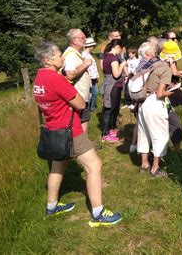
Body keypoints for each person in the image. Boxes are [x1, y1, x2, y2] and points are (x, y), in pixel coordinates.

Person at [33, 42, 122, 227]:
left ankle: (51, 206)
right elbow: (81, 104)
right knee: (94, 165)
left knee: (58, 166)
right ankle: (98, 213)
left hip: (52, 130)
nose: (62, 58)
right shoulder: (56, 79)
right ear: (48, 60)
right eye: (58, 55)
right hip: (69, 130)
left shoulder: (38, 79)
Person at [136, 41, 173, 177]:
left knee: (144, 134)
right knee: (160, 135)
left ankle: (144, 164)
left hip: (141, 103)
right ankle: (155, 168)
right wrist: (173, 91)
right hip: (155, 103)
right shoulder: (164, 67)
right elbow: (160, 93)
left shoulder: (142, 67)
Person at [162, 31, 182, 134]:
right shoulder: (170, 56)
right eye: (173, 38)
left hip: (164, 86)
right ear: (166, 40)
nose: (175, 40)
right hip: (170, 87)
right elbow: (173, 72)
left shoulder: (162, 53)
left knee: (167, 110)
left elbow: (169, 69)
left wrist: (179, 72)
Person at [62, 29, 92, 133]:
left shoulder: (75, 53)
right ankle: (83, 147)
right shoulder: (71, 54)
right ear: (74, 40)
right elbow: (70, 75)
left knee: (84, 121)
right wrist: (85, 64)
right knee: (80, 123)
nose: (85, 40)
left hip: (81, 95)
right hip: (77, 96)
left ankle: (84, 146)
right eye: (82, 38)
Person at [100, 39, 127, 142]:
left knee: (113, 109)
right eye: (121, 48)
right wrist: (122, 65)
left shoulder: (106, 56)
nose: (122, 50)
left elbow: (104, 70)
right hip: (114, 86)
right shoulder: (114, 58)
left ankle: (110, 129)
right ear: (118, 47)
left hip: (109, 84)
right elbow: (116, 74)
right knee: (110, 109)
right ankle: (106, 133)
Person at [82, 37, 100, 111]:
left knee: (93, 92)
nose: (93, 47)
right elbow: (89, 68)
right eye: (92, 46)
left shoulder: (87, 54)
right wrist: (94, 77)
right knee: (94, 92)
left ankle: (90, 107)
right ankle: (90, 107)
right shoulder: (86, 55)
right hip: (91, 77)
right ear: (90, 46)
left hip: (92, 77)